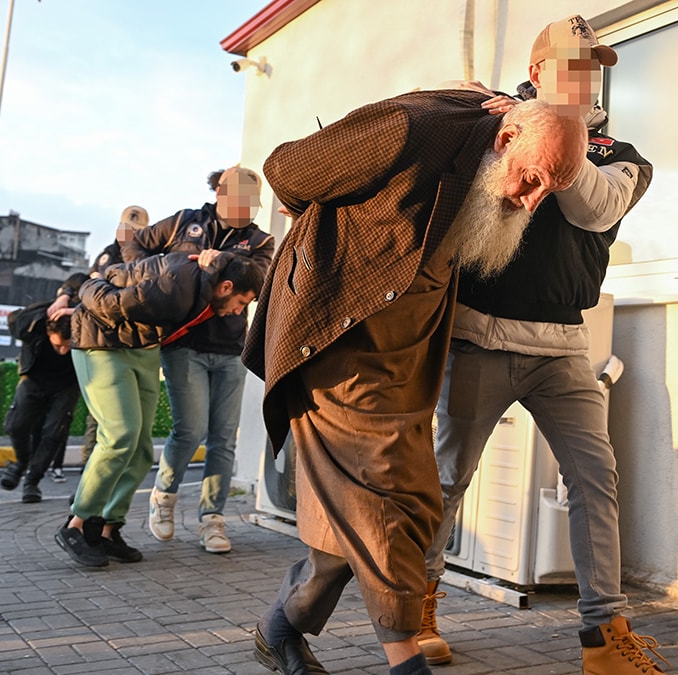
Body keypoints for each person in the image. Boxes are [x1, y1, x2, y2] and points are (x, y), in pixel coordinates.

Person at [244, 90, 586, 675]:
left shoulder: (492, 139)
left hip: (406, 364)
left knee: (406, 508)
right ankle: (407, 662)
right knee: (384, 512)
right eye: (531, 180)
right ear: (505, 140)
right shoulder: (408, 129)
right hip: (339, 348)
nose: (531, 203)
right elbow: (286, 170)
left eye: (546, 193)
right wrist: (319, 221)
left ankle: (279, 630)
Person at [417, 16, 662, 675]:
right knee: (446, 478)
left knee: (595, 478)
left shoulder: (621, 154)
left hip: (562, 350)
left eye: (594, 65)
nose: (587, 76)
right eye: (572, 65)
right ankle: (416, 610)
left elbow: (595, 210)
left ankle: (604, 640)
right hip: (477, 340)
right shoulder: (488, 122)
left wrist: (552, 130)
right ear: (537, 69)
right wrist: (469, 112)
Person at [54, 245, 264, 569]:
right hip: (103, 343)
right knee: (120, 435)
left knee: (139, 449)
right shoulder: (179, 288)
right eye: (240, 303)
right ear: (226, 288)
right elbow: (111, 303)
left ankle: (108, 529)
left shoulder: (212, 283)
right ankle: (76, 524)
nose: (239, 312)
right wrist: (86, 284)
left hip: (142, 347)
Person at [125, 166, 275, 553]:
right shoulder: (183, 223)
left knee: (223, 438)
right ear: (221, 193)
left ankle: (212, 519)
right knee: (189, 429)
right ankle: (163, 499)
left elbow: (258, 279)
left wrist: (219, 260)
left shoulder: (260, 239)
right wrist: (165, 275)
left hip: (230, 348)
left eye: (252, 204)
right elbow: (136, 247)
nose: (248, 210)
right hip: (183, 342)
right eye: (241, 200)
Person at [48, 205, 150, 465]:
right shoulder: (108, 256)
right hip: (102, 344)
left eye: (134, 231)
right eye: (125, 229)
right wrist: (64, 296)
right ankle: (89, 474)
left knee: (126, 425)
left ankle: (107, 479)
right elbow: (86, 285)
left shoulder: (150, 260)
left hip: (133, 345)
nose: (127, 235)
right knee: (100, 418)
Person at [0, 273, 88, 503]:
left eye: (69, 347)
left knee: (52, 433)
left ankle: (31, 482)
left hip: (66, 385)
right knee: (16, 425)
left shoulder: (81, 322)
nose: (64, 351)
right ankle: (20, 463)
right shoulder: (37, 323)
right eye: (59, 345)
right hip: (34, 379)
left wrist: (73, 305)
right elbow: (14, 319)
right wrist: (52, 305)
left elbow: (81, 278)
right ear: (48, 333)